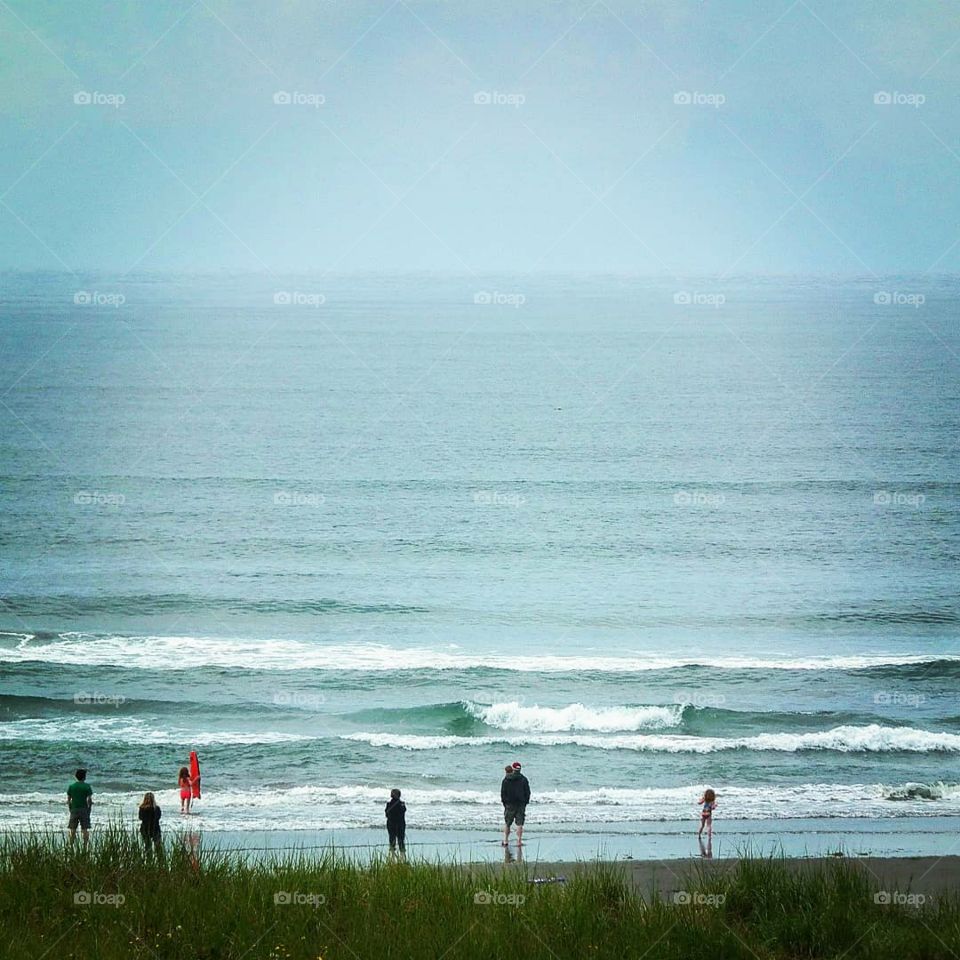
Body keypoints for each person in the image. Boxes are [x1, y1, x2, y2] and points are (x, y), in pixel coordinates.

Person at [501, 761, 530, 846]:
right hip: (521, 804)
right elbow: (527, 792)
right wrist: (525, 802)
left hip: (509, 804)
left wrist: (505, 803)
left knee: (507, 823)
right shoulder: (524, 779)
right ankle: (519, 841)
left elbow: (503, 793)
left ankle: (505, 840)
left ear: (513, 769)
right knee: (520, 823)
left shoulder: (506, 779)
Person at [66, 768, 93, 846]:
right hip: (84, 809)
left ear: (76, 776)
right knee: (85, 829)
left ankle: (70, 845)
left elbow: (69, 800)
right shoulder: (87, 786)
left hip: (74, 809)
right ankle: (85, 846)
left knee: (72, 830)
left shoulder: (71, 786)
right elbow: (89, 800)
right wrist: (89, 809)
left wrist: (70, 809)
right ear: (84, 777)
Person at [138, 792, 163, 857]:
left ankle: (149, 860)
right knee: (158, 847)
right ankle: (160, 861)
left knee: (148, 847)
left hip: (145, 829)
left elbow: (140, 818)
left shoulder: (142, 808)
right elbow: (158, 817)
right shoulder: (156, 808)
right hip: (155, 829)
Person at [385, 788, 406, 854]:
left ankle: (392, 855)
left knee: (392, 839)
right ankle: (402, 855)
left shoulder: (389, 804)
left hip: (391, 824)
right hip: (401, 824)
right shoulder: (402, 804)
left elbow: (386, 814)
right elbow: (403, 812)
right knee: (401, 840)